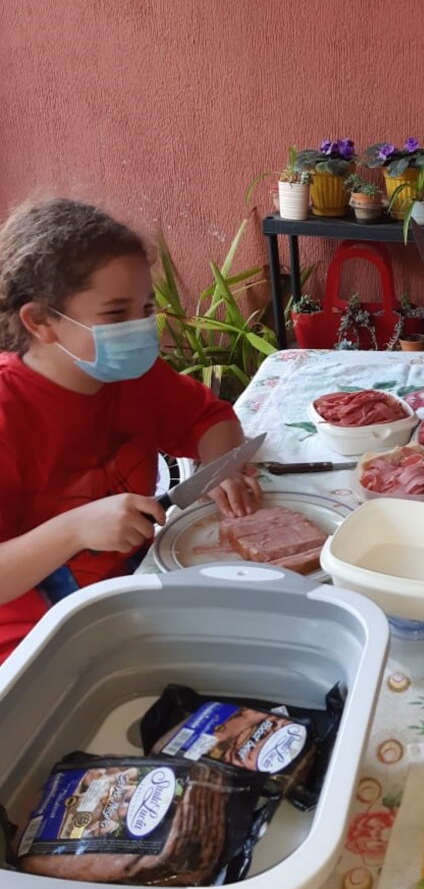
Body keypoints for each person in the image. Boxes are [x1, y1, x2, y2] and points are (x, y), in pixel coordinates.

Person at [0, 197, 263, 660]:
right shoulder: (8, 411)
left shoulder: (135, 377)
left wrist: (221, 470)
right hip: (33, 643)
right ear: (40, 321)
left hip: (135, 589)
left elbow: (212, 419)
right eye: (116, 314)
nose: (142, 328)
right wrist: (75, 529)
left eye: (145, 308)